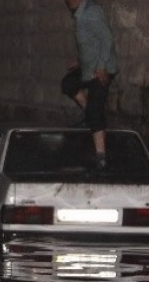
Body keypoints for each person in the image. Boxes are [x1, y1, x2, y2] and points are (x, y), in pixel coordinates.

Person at [61, 0, 118, 170]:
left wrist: (101, 67)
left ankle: (101, 156)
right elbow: (90, 43)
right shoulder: (80, 14)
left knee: (96, 110)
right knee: (68, 83)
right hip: (87, 68)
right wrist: (80, 62)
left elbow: (106, 40)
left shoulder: (92, 12)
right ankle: (90, 115)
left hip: (100, 71)